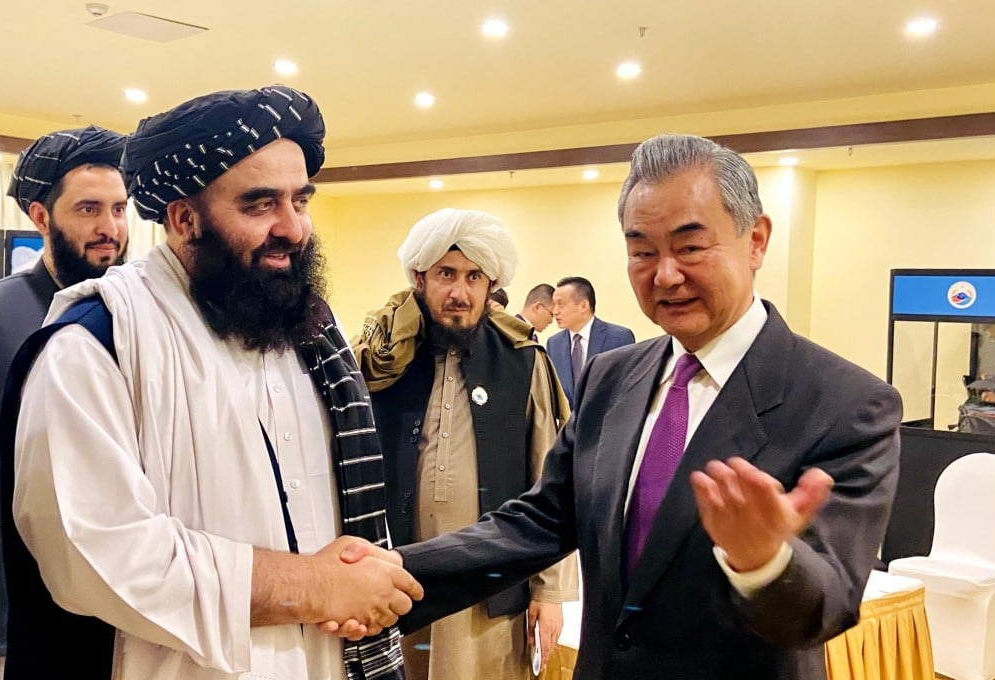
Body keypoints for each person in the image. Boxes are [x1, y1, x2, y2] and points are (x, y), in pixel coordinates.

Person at [378, 133, 901, 679]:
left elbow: (827, 605)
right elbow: (541, 520)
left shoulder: (846, 404)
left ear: (756, 241)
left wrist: (766, 562)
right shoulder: (614, 377)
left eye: (690, 247)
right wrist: (393, 572)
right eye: (643, 252)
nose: (665, 275)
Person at [0, 87, 422, 680]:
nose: (293, 228)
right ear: (183, 217)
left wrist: (352, 583)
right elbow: (94, 554)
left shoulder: (306, 334)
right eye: (259, 205)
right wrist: (315, 586)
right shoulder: (94, 345)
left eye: (300, 200)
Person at [353, 208, 578, 680]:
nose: (459, 292)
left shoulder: (524, 362)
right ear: (420, 279)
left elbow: (550, 481)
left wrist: (547, 593)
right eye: (446, 274)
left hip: (489, 589)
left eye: (473, 276)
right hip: (396, 577)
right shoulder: (383, 362)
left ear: (490, 283)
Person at [0, 125, 128, 680]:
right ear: (41, 218)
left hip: (120, 606)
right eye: (89, 209)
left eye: (118, 209)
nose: (109, 228)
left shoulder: (138, 319)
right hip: (7, 610)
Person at [546, 276, 635, 407]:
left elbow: (628, 388)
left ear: (583, 305)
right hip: (569, 425)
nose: (555, 312)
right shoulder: (554, 344)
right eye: (554, 305)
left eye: (561, 304)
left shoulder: (619, 337)